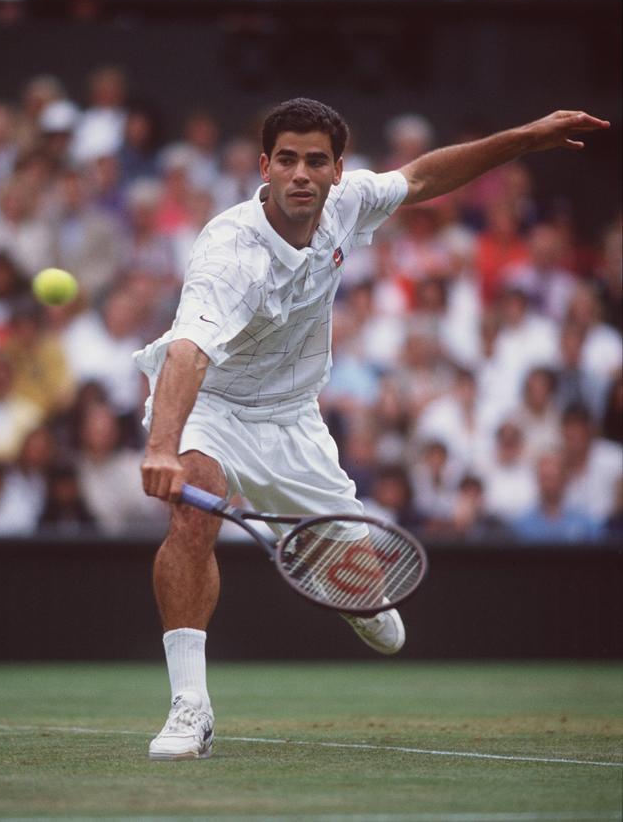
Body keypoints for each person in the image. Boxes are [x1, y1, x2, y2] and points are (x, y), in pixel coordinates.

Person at [135, 98, 608, 761]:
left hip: (293, 421)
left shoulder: (348, 203)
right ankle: (191, 709)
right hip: (210, 404)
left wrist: (527, 138)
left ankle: (362, 595)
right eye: (289, 160)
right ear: (265, 167)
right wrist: (163, 448)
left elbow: (423, 178)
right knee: (191, 519)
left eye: (316, 162)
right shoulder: (228, 249)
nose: (302, 174)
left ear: (337, 171)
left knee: (376, 617)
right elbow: (187, 351)